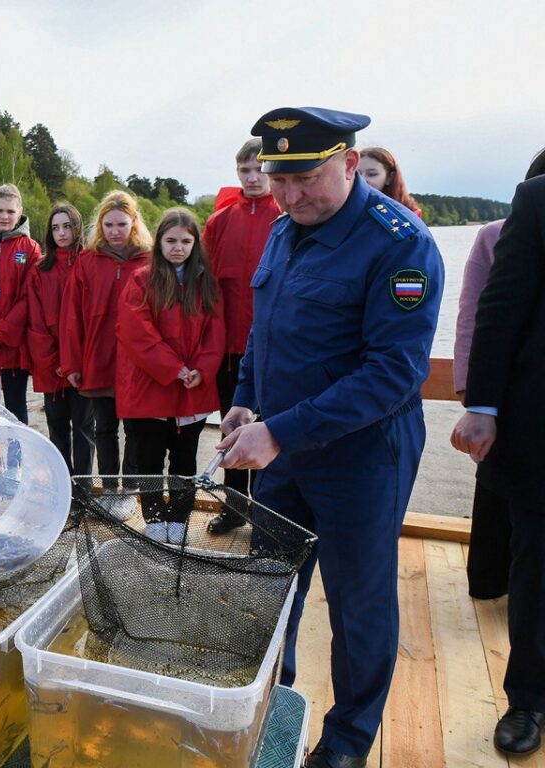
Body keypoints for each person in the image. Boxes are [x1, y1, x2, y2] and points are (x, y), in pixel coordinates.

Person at [216, 107, 443, 768]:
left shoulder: (400, 243)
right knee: (270, 585)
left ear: (350, 163)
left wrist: (279, 432)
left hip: (363, 460)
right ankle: (266, 701)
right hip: (283, 452)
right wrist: (245, 400)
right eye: (279, 180)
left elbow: (394, 374)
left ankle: (347, 741)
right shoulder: (286, 231)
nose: (289, 196)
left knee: (359, 603)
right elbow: (266, 330)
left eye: (306, 179)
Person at [450, 165, 545, 758]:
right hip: (542, 422)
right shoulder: (537, 200)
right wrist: (481, 405)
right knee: (537, 565)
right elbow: (500, 307)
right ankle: (529, 696)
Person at [453, 148, 545, 601]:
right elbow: (484, 314)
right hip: (520, 404)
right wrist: (477, 398)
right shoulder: (514, 220)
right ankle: (490, 583)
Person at [117, 208, 224, 541]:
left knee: (184, 461)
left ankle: (179, 517)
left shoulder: (205, 283)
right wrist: (172, 367)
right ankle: (153, 517)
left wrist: (201, 370)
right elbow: (137, 331)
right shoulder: (141, 279)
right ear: (159, 241)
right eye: (171, 240)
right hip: (151, 387)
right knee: (149, 459)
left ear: (195, 244)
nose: (178, 247)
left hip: (190, 390)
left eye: (186, 241)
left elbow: (215, 333)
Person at [202, 138, 283, 534]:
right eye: (245, 171)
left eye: (259, 170)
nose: (253, 179)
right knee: (231, 433)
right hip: (230, 351)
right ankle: (234, 509)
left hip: (279, 349)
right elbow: (202, 290)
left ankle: (269, 513)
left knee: (276, 433)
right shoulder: (219, 222)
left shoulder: (286, 216)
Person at [60, 190, 152, 477]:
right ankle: (110, 488)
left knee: (137, 430)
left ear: (134, 222)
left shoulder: (149, 260)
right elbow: (71, 317)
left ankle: (132, 486)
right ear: (100, 226)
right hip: (99, 358)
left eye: (121, 224)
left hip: (138, 363)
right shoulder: (88, 261)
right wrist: (72, 364)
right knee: (105, 428)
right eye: (108, 225)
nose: (114, 231)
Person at [27, 202, 94, 474]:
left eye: (67, 226)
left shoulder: (89, 263)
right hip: (50, 366)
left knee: (84, 426)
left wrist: (76, 361)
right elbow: (36, 322)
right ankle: (63, 484)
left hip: (82, 364)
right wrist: (54, 361)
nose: (62, 233)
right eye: (55, 228)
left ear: (77, 228)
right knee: (56, 426)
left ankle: (84, 486)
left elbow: (92, 319)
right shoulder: (40, 270)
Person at [0, 184, 39, 424]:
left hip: (12, 344)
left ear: (20, 212)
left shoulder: (29, 249)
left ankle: (17, 460)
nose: (4, 216)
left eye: (10, 211)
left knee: (16, 409)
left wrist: (1, 333)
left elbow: (29, 298)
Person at [358, 147, 422, 217]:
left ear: (389, 177)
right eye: (357, 174)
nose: (362, 179)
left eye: (372, 174)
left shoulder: (408, 215)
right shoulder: (347, 209)